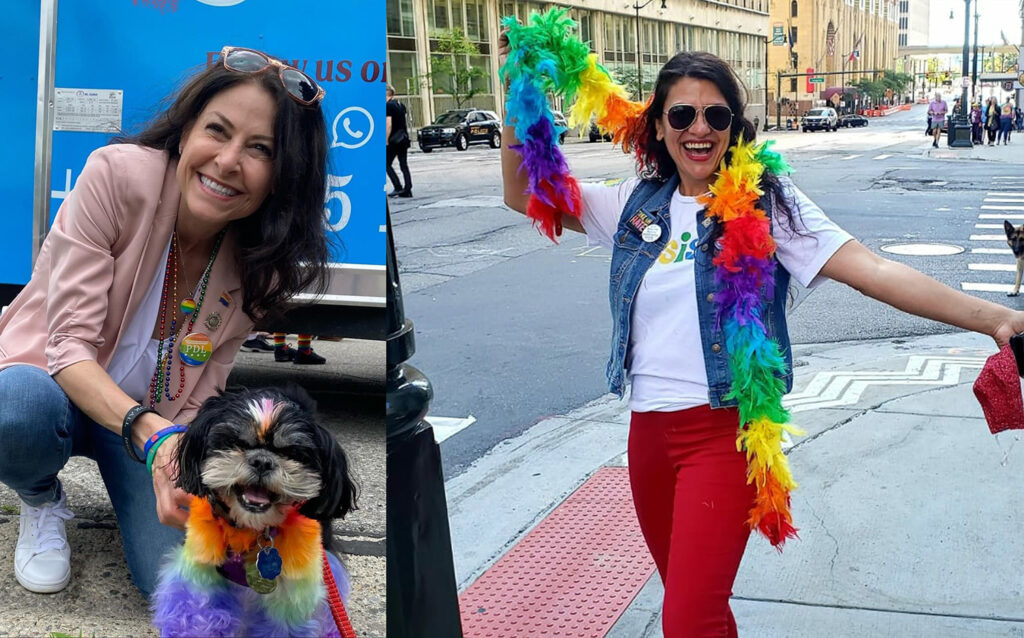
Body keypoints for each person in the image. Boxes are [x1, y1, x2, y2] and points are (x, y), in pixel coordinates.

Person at [499, 44, 1024, 637]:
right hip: (647, 435)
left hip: (724, 436)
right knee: (696, 607)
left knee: (687, 621)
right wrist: (520, 91)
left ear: (734, 127)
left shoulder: (769, 206)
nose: (699, 129)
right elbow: (524, 194)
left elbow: (874, 270)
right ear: (659, 125)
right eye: (682, 116)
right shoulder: (631, 204)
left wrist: (994, 319)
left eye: (715, 116)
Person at [0, 46, 331, 598]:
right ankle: (40, 500)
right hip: (55, 386)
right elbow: (68, 347)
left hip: (153, 431)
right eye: (217, 131)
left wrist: (188, 461)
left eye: (259, 150)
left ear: (282, 176)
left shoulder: (259, 264)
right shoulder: (117, 177)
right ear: (185, 131)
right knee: (15, 405)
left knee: (186, 582)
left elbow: (208, 389)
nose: (227, 161)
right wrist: (153, 435)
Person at [386, 84, 413, 198]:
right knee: (403, 164)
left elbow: (389, 124)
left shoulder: (387, 106)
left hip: (394, 140)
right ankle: (408, 189)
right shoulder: (400, 105)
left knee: (385, 164)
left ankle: (397, 186)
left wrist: (386, 139)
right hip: (403, 138)